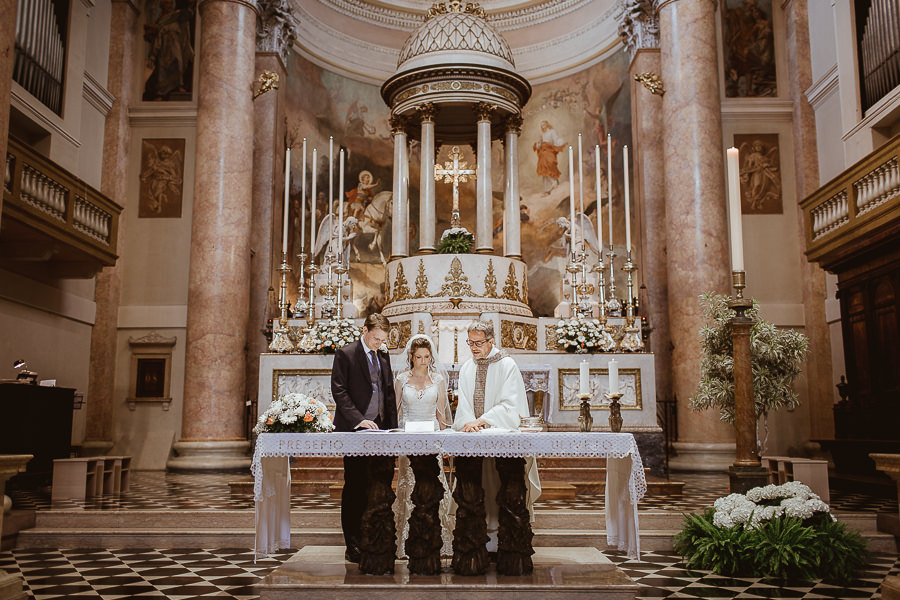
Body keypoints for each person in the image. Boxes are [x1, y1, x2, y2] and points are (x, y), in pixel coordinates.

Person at [453, 320, 541, 552]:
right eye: (470, 343)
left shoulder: (507, 365)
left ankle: (504, 540)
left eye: (478, 343)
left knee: (505, 485)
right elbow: (463, 404)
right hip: (474, 439)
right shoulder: (467, 368)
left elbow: (511, 405)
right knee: (474, 486)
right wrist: (469, 423)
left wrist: (482, 421)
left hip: (500, 438)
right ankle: (477, 538)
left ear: (491, 341)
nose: (473, 348)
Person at [331, 313, 398, 563]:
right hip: (354, 431)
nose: (378, 344)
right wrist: (358, 420)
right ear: (364, 330)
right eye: (375, 338)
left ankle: (374, 538)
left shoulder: (383, 354)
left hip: (382, 431)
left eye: (382, 340)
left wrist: (393, 429)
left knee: (378, 484)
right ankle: (353, 543)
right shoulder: (346, 354)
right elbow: (339, 390)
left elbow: (387, 392)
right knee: (355, 486)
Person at [391, 335, 454, 558]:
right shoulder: (401, 379)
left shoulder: (438, 380)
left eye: (427, 357)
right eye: (419, 357)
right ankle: (406, 539)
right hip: (408, 437)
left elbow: (441, 412)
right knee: (409, 482)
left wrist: (445, 439)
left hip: (432, 436)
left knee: (433, 481)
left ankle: (439, 538)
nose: (423, 361)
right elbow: (396, 410)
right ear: (411, 357)